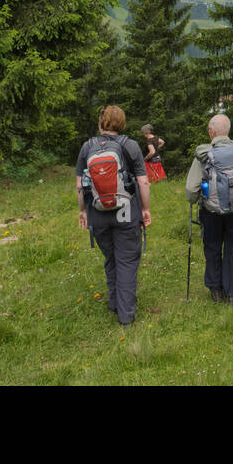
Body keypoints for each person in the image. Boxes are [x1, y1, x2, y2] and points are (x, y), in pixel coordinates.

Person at [75, 105, 150, 326]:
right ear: (122, 123)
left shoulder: (87, 147)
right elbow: (143, 181)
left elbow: (81, 184)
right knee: (126, 260)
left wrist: (82, 211)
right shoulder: (131, 146)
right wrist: (145, 209)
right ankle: (125, 316)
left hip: (98, 213)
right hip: (126, 212)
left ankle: (114, 302)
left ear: (101, 124)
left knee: (111, 257)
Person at [185, 114, 233, 304]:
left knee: (212, 247)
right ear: (227, 131)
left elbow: (190, 189)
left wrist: (194, 200)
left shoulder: (204, 154)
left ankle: (216, 290)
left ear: (211, 132)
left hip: (210, 210)